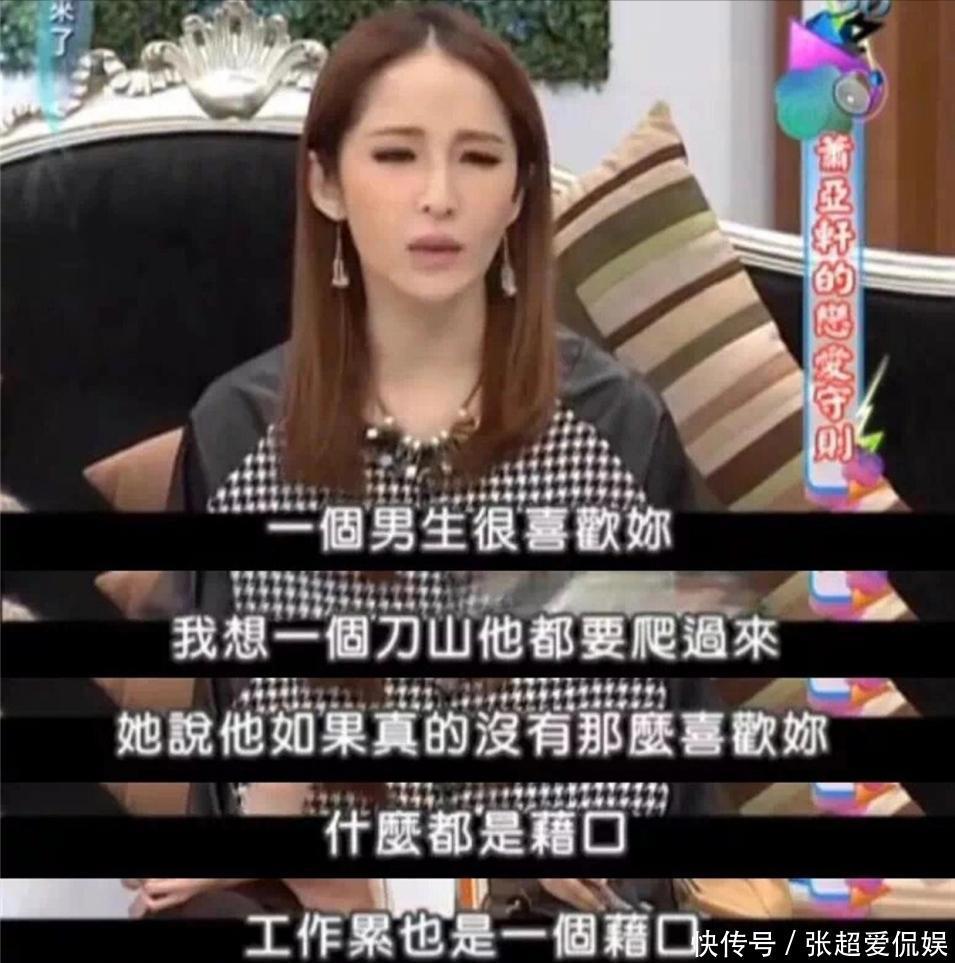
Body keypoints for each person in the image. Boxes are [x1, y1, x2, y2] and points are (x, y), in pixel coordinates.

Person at [136, 2, 789, 920]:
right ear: (326, 182)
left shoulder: (612, 429)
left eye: (478, 159)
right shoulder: (240, 432)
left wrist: (411, 886)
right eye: (395, 155)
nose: (438, 196)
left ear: (519, 193)